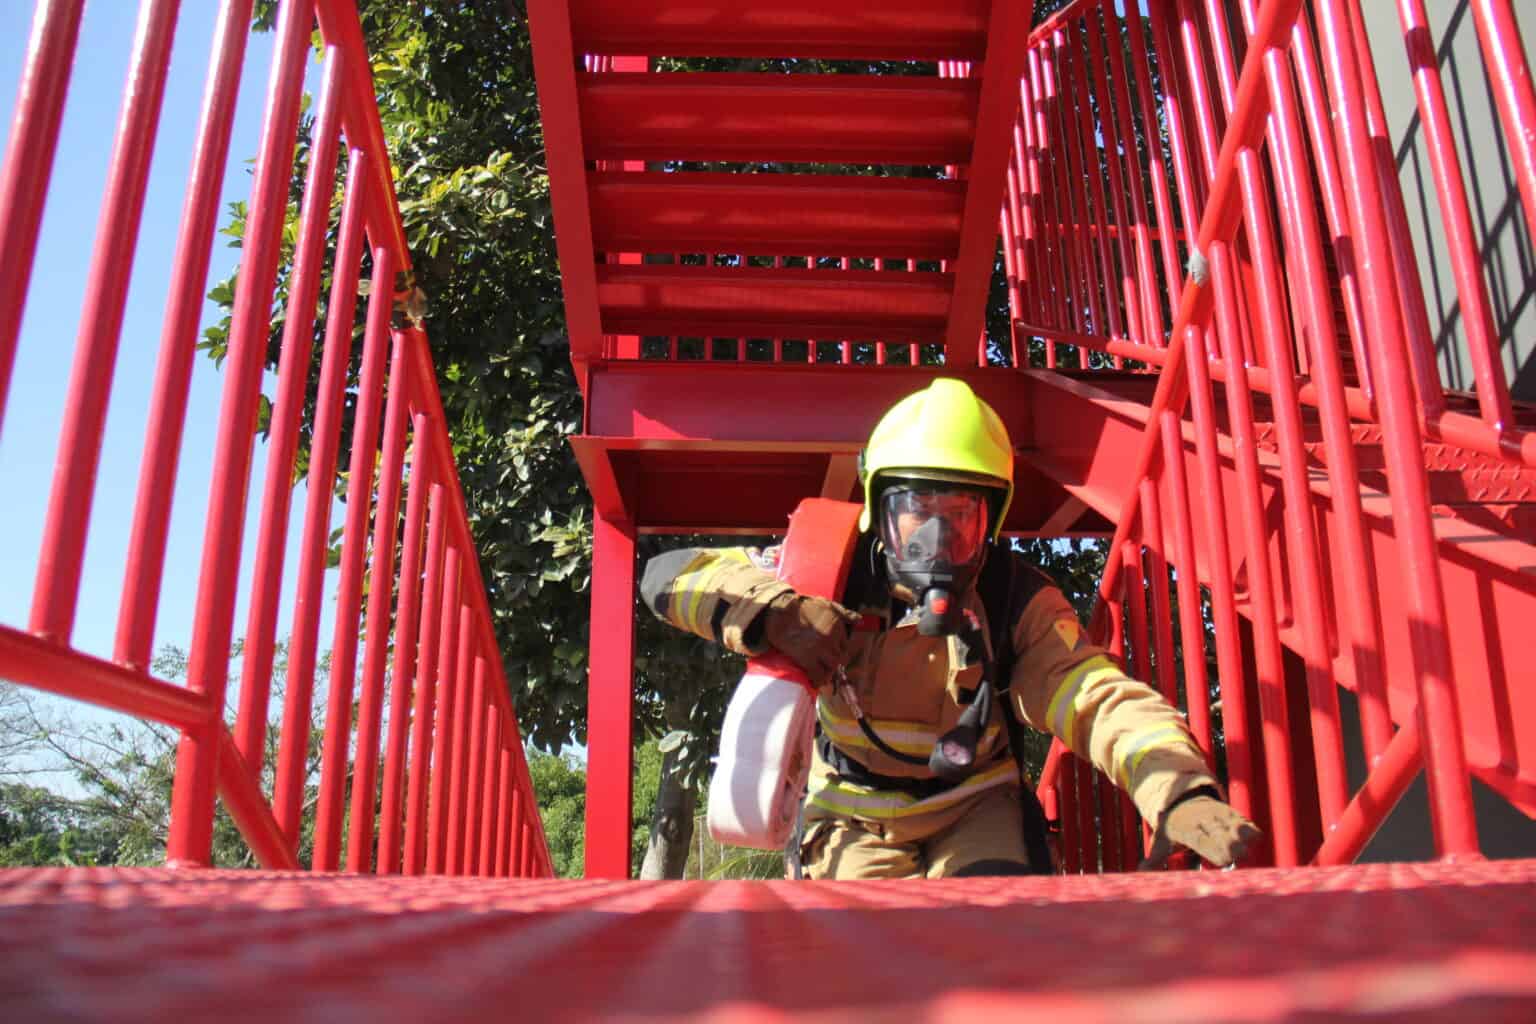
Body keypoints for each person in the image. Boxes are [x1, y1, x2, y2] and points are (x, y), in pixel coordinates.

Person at [640, 378, 1259, 879]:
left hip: (973, 805)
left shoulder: (1016, 599)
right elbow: (669, 576)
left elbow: (1093, 697)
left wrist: (1177, 789)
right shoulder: (823, 572)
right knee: (859, 962)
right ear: (880, 509)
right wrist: (774, 613)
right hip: (852, 811)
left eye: (959, 517)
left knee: (990, 937)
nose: (935, 543)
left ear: (991, 522)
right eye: (917, 513)